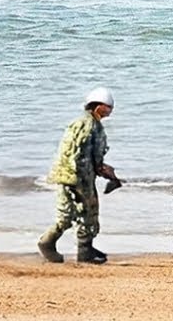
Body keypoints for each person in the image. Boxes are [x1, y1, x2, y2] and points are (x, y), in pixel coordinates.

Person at [37, 86, 122, 264]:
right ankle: (79, 250)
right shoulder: (92, 126)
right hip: (78, 176)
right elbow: (87, 155)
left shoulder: (80, 123)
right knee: (87, 212)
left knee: (69, 214)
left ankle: (57, 244)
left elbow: (75, 152)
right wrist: (101, 172)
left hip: (66, 174)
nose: (110, 111)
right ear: (99, 107)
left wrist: (100, 169)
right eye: (108, 107)